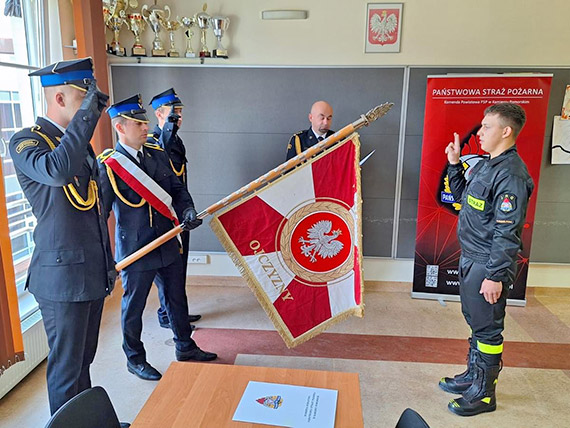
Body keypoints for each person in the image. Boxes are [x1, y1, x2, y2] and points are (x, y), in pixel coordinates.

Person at [8, 58, 115, 415]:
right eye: (83, 100)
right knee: (67, 372)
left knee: (83, 362)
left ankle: (84, 423)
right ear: (59, 100)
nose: (91, 111)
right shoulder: (26, 141)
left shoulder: (79, 145)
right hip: (60, 278)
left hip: (89, 272)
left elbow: (94, 212)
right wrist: (86, 118)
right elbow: (56, 172)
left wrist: (108, 265)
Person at [98, 95, 217, 382]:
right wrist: (104, 258)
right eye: (137, 123)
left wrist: (187, 209)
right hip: (136, 248)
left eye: (145, 122)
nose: (145, 127)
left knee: (177, 298)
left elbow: (177, 189)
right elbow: (100, 216)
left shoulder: (156, 153)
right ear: (119, 127)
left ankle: (185, 346)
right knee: (134, 308)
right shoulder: (110, 165)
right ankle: (135, 359)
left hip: (166, 240)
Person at [440, 103, 534, 416]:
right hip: (471, 257)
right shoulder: (485, 165)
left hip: (487, 263)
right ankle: (472, 377)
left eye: (487, 127)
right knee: (476, 321)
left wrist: (494, 275)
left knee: (489, 330)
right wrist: (454, 165)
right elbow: (461, 199)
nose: (479, 133)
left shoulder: (511, 175)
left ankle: (483, 394)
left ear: (506, 131)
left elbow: (508, 233)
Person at [147, 88, 200, 330]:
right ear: (159, 114)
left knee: (181, 265)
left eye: (179, 111)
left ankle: (177, 311)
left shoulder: (175, 139)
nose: (178, 116)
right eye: (172, 112)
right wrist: (168, 129)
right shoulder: (153, 141)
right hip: (165, 216)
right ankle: (166, 314)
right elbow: (162, 154)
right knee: (168, 270)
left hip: (180, 213)